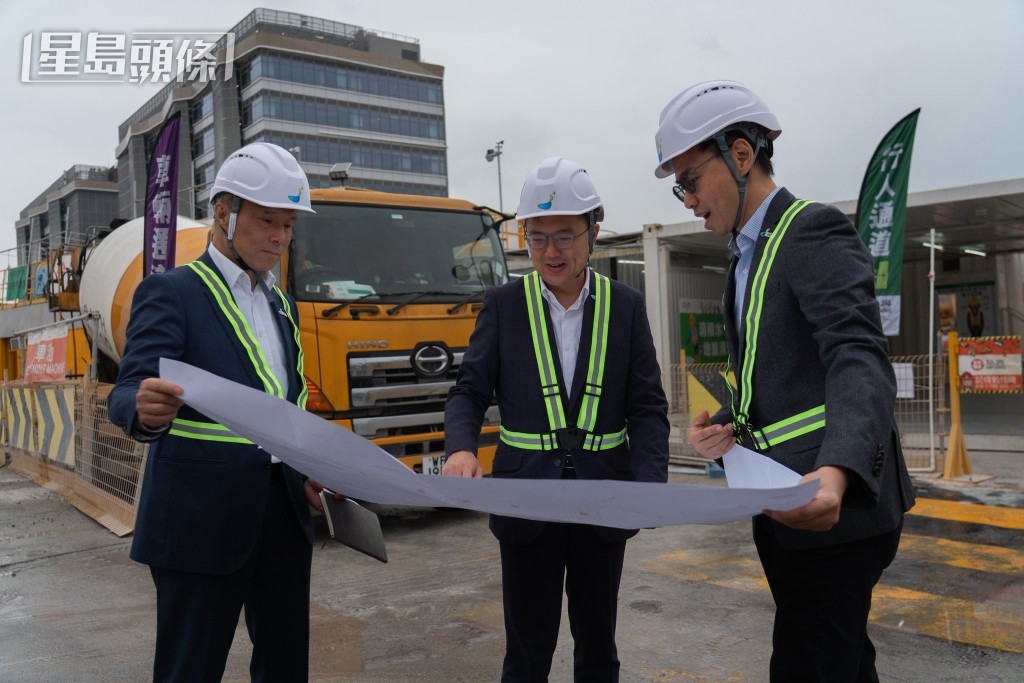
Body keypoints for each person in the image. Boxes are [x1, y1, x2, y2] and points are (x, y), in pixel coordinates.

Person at [654, 80, 916, 681]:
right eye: (678, 186)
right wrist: (727, 425)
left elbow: (857, 356)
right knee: (843, 660)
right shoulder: (748, 253)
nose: (687, 200)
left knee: (807, 663)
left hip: (833, 508)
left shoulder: (811, 231)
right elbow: (787, 376)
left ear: (741, 155)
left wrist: (840, 470)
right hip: (788, 500)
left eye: (690, 180)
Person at [443, 156, 669, 682]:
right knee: (527, 652)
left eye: (565, 236)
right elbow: (469, 390)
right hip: (526, 504)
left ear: (594, 230)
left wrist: (652, 483)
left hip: (603, 500)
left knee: (598, 648)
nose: (550, 251)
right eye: (537, 236)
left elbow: (647, 406)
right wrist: (459, 449)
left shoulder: (625, 306)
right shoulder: (503, 305)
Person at [108, 142, 328, 682]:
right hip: (199, 520)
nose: (279, 238)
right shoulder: (171, 293)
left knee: (284, 668)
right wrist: (142, 409)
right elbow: (128, 388)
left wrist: (308, 467)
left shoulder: (282, 305)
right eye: (267, 221)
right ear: (224, 213)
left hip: (281, 515)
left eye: (289, 225)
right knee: (190, 669)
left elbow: (286, 399)